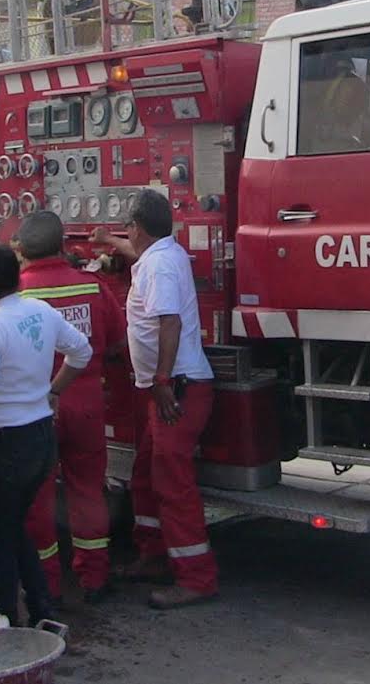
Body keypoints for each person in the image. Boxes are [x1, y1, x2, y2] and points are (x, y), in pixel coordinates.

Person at [93, 189, 219, 609]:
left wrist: (162, 379)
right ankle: (152, 555)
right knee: (145, 473)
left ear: (138, 226)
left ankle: (196, 578)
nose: (126, 233)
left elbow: (169, 321)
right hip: (165, 388)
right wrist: (107, 241)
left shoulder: (160, 266)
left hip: (175, 390)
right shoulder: (160, 253)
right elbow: (136, 251)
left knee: (172, 483)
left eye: (126, 226)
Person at [0, 243, 92, 627]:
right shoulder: (40, 311)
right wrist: (53, 390)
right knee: (15, 528)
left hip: (5, 447)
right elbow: (80, 351)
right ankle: (41, 610)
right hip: (40, 439)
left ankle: (6, 622)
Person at [15, 211, 125, 604]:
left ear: (22, 249)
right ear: (63, 245)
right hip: (86, 402)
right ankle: (94, 577)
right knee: (87, 490)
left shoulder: (15, 295)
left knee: (38, 496)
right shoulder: (93, 287)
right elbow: (115, 341)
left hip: (35, 407)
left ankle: (46, 584)